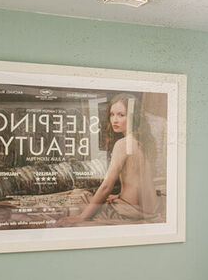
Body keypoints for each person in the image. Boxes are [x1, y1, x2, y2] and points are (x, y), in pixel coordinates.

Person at [57, 94, 159, 225]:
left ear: (133, 117)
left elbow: (106, 186)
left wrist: (81, 217)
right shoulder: (144, 141)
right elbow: (139, 181)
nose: (114, 120)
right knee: (85, 198)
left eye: (121, 115)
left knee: (78, 196)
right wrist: (120, 195)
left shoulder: (123, 144)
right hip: (150, 210)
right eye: (112, 114)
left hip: (129, 211)